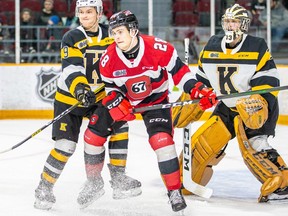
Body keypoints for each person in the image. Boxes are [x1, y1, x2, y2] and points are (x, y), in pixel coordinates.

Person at [90, 10, 217, 212]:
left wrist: (197, 89)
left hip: (154, 101)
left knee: (162, 142)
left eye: (120, 32)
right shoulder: (108, 59)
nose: (116, 37)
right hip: (126, 100)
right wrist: (115, 101)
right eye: (113, 33)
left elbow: (180, 74)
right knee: (92, 136)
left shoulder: (158, 48)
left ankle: (174, 191)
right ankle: (93, 183)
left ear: (133, 30)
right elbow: (111, 88)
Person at [34, 0, 141, 211]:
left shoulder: (112, 36)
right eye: (81, 12)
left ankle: (115, 179)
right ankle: (44, 187)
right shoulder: (71, 37)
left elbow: (123, 63)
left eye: (89, 11)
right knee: (65, 146)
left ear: (99, 13)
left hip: (99, 97)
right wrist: (81, 89)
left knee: (120, 123)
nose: (84, 15)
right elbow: (71, 69)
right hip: (70, 97)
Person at [180, 3, 288, 202]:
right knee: (201, 146)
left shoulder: (256, 46)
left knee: (255, 145)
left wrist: (257, 102)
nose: (230, 26)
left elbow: (269, 82)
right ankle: (189, 181)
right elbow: (202, 84)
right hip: (227, 107)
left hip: (255, 106)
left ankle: (283, 185)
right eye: (228, 21)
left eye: (235, 21)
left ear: (244, 25)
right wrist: (194, 97)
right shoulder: (212, 45)